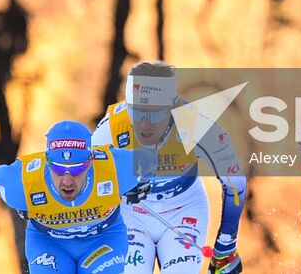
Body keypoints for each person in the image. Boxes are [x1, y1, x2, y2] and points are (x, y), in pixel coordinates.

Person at [92, 61, 248, 273]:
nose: (144, 125)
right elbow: (84, 180)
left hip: (184, 208)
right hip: (131, 213)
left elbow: (235, 183)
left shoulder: (196, 125)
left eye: (155, 114)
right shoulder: (110, 129)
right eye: (137, 112)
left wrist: (226, 245)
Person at [0, 119, 147, 274]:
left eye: (77, 169)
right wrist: (20, 203)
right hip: (50, 243)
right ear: (47, 161)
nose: (67, 181)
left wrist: (144, 183)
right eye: (58, 168)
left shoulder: (115, 167)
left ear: (91, 160)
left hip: (103, 240)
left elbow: (158, 161)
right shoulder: (22, 183)